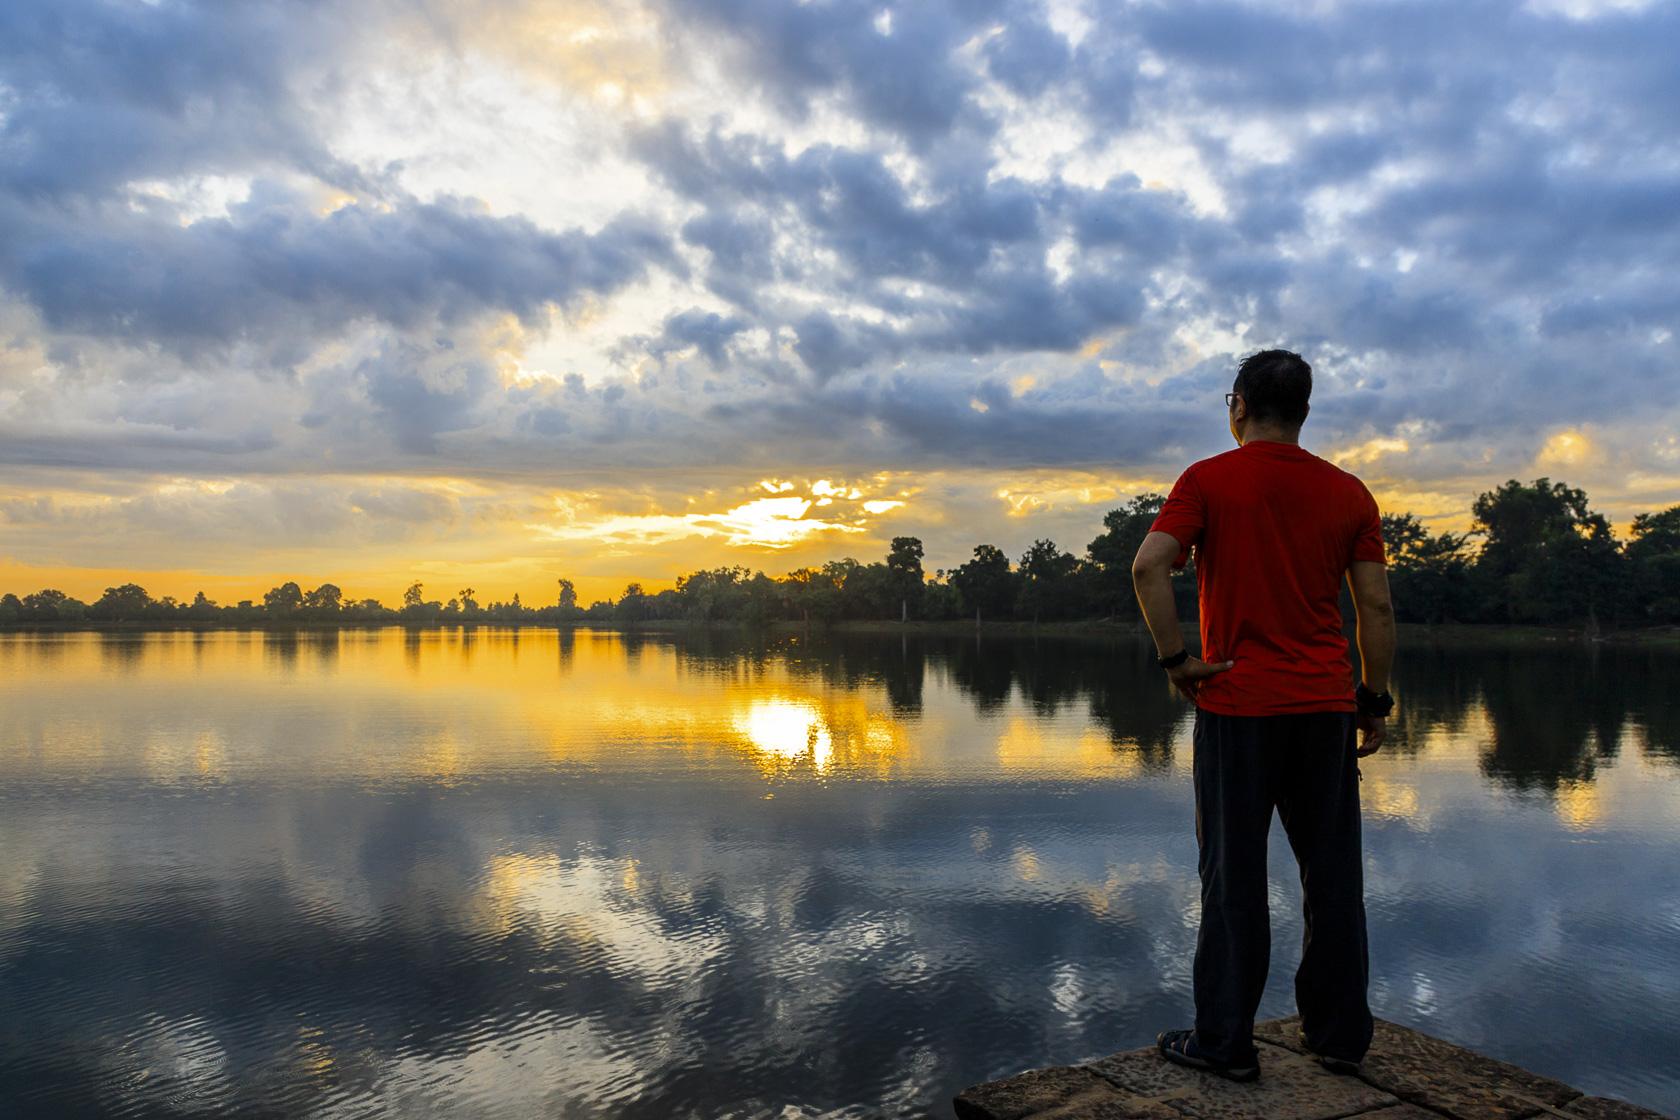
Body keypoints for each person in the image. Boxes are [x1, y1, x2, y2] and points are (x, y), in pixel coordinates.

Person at [1129, 348, 1396, 1083]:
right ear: (1304, 412)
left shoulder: (1208, 480)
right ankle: (1339, 1035)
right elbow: (1374, 605)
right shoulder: (1350, 494)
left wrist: (1176, 660)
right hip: (1323, 710)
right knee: (1333, 876)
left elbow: (1149, 565)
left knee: (1232, 878)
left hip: (1237, 708)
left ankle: (1224, 1043)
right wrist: (1372, 698)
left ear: (1238, 406)